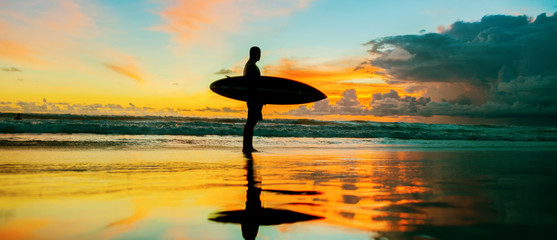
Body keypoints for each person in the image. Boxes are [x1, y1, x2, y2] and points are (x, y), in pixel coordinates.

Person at [243, 46, 263, 153]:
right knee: (251, 122)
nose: (260, 55)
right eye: (259, 53)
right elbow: (253, 86)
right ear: (254, 54)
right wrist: (259, 99)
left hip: (252, 98)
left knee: (251, 122)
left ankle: (248, 146)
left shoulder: (249, 65)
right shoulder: (251, 67)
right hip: (253, 98)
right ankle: (247, 147)